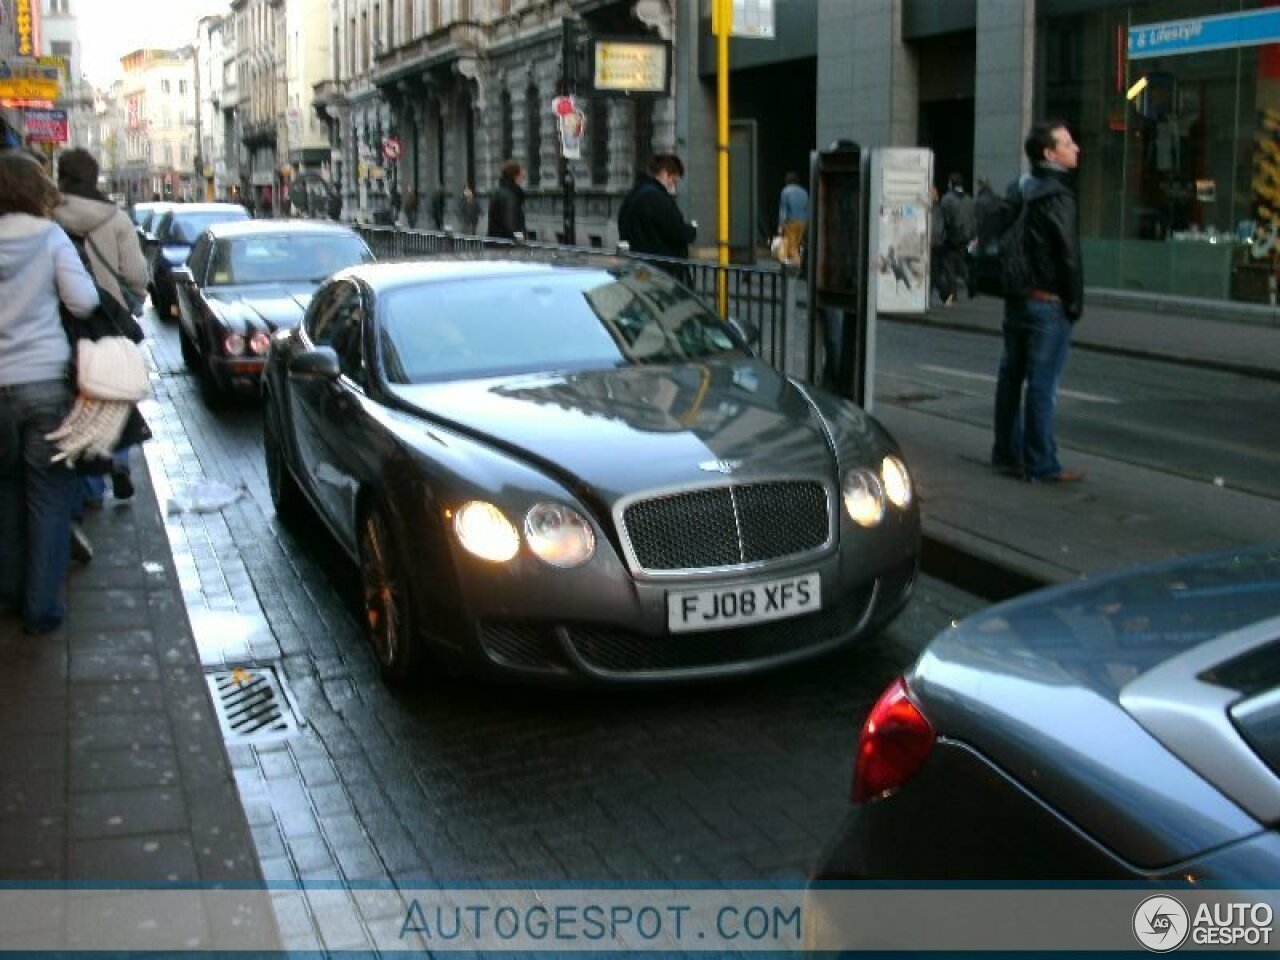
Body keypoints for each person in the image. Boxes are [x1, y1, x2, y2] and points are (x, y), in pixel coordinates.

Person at [0, 151, 100, 634]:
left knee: (5, 494)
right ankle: (41, 608)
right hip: (43, 382)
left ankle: (10, 593)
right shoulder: (49, 236)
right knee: (48, 499)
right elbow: (83, 301)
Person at [52, 148, 149, 509]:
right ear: (94, 176)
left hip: (66, 324)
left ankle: (91, 486)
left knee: (80, 400)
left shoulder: (49, 217)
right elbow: (137, 274)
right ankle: (120, 462)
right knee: (114, 394)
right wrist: (130, 299)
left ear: (61, 176)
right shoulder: (116, 218)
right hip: (110, 321)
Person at [991, 121, 1085, 484]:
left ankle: (1005, 453)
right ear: (1050, 154)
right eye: (1067, 142)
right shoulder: (1058, 195)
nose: (1075, 147)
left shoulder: (1019, 189)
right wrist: (1074, 302)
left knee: (1010, 377)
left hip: (1017, 298)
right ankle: (1041, 463)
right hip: (1048, 301)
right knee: (1043, 384)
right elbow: (1069, 255)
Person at [617, 153, 697, 279]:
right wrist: (692, 229)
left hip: (637, 264)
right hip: (659, 270)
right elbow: (676, 231)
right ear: (665, 173)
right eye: (673, 180)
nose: (673, 185)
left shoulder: (634, 193)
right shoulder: (657, 197)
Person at [939, 172, 975, 304]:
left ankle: (951, 295)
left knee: (949, 267)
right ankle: (970, 282)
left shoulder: (947, 199)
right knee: (962, 262)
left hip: (951, 238)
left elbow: (944, 220)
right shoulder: (969, 199)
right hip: (966, 237)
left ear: (951, 184)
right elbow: (972, 219)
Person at [486, 160, 526, 241]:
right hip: (506, 247)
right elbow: (510, 224)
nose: (523, 177)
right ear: (515, 176)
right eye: (521, 175)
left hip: (497, 243)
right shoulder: (509, 197)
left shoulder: (500, 192)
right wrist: (520, 238)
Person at [776, 170, 808, 269]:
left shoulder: (786, 191)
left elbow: (784, 210)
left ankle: (797, 265)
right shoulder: (804, 192)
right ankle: (789, 265)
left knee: (791, 245)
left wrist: (780, 226)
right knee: (797, 244)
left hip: (791, 222)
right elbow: (807, 208)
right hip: (803, 222)